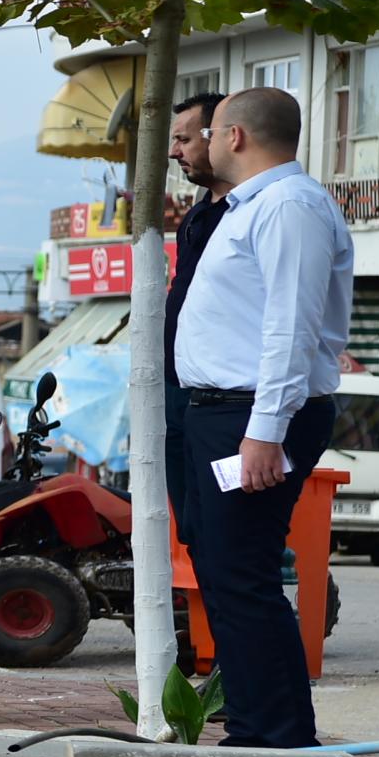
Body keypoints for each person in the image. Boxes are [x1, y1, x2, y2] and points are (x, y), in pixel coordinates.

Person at [175, 86, 351, 749]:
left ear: (236, 136)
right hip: (220, 413)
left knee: (243, 574)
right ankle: (255, 725)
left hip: (252, 415)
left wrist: (264, 433)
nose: (202, 145)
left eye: (209, 132)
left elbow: (291, 328)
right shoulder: (249, 207)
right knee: (224, 572)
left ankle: (277, 735)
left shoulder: (288, 206)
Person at [165, 91, 231, 544]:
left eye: (184, 140)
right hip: (177, 389)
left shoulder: (248, 214)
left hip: (217, 397)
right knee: (191, 529)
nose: (174, 152)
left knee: (222, 537)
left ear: (221, 137)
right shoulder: (199, 212)